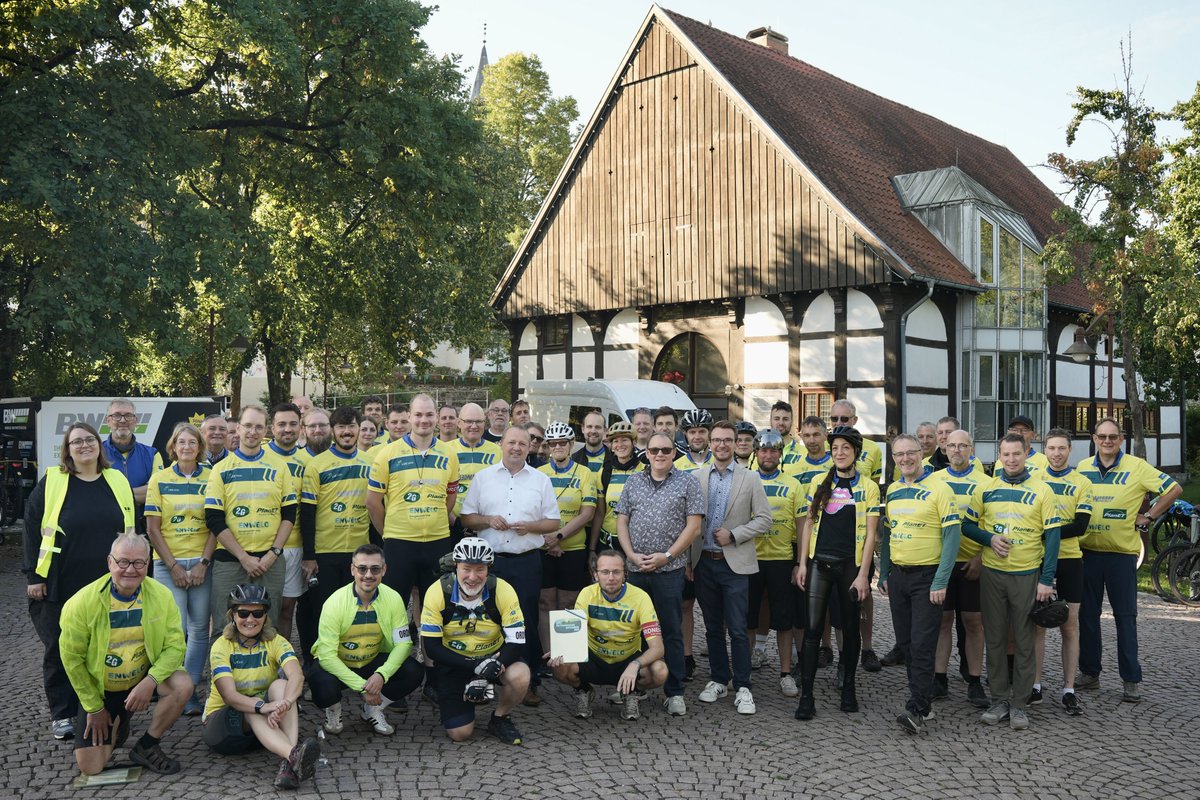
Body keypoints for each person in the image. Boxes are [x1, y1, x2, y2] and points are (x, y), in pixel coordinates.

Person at [24, 422, 136, 741]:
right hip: (60, 582)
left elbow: (131, 528)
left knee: (105, 645)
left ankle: (100, 708)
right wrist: (35, 576)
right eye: (77, 442)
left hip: (108, 584)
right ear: (67, 449)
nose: (84, 445)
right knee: (61, 648)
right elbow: (33, 527)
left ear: (100, 446)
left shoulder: (117, 480)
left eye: (90, 440)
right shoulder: (54, 481)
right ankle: (62, 714)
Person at [59, 533, 191, 775]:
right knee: (92, 767)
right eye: (123, 562)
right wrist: (94, 708)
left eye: (139, 563)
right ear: (110, 562)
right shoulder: (80, 603)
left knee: (182, 684)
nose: (131, 569)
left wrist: (150, 682)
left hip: (141, 682)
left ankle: (147, 745)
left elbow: (176, 646)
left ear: (148, 563)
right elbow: (72, 660)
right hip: (102, 689)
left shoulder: (162, 596)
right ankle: (119, 718)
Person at [1076, 417, 1181, 703]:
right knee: (1087, 617)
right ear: (1094, 439)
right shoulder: (1083, 468)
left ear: (1121, 440)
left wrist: (1149, 515)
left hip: (1121, 555)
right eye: (1102, 436)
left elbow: (1173, 488)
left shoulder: (1136, 467)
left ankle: (1130, 679)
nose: (1107, 441)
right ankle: (1089, 673)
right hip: (1088, 553)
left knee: (1125, 618)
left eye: (1113, 437)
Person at [961, 433, 1060, 731]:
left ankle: (1020, 703)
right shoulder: (986, 488)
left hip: (1028, 574)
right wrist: (988, 538)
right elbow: (966, 525)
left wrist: (1046, 579)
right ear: (999, 455)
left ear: (1027, 453)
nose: (1012, 459)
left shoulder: (1043, 490)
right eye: (1006, 454)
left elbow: (1052, 537)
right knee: (995, 638)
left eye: (1017, 454)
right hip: (992, 573)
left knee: (1024, 639)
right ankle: (999, 699)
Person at [460, 426, 560, 706]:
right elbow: (466, 518)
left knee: (525, 620)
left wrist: (531, 527)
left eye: (523, 444)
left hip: (526, 561)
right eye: (511, 442)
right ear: (501, 444)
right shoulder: (482, 478)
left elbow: (553, 523)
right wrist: (488, 520)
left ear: (530, 448)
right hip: (488, 564)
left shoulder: (541, 480)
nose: (516, 448)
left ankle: (527, 680)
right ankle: (486, 675)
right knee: (487, 618)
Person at [793, 426, 880, 719]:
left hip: (850, 568)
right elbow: (808, 523)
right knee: (812, 630)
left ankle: (849, 689)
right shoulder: (819, 480)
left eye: (845, 448)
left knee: (850, 629)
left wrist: (863, 575)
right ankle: (806, 696)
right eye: (835, 449)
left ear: (855, 452)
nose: (839, 453)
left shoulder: (868, 486)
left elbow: (871, 536)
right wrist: (803, 563)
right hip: (820, 564)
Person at [616, 432, 704, 717]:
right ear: (648, 453)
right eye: (654, 450)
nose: (660, 454)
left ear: (674, 452)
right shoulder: (633, 481)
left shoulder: (688, 482)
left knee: (671, 630)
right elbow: (622, 520)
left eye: (666, 450)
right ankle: (633, 687)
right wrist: (630, 555)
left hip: (669, 570)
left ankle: (675, 690)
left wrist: (666, 556)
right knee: (632, 631)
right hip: (636, 569)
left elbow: (694, 528)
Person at [878, 433, 960, 734]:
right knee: (907, 644)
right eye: (898, 455)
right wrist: (884, 572)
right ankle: (922, 698)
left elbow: (953, 537)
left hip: (928, 576)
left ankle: (917, 708)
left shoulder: (940, 488)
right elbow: (887, 535)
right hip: (899, 577)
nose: (904, 459)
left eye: (910, 453)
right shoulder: (894, 490)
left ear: (920, 454)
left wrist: (941, 580)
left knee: (923, 644)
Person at [691, 420, 773, 716]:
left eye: (728, 440)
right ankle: (718, 679)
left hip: (735, 564)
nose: (722, 445)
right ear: (709, 444)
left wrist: (735, 535)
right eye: (717, 440)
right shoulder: (696, 477)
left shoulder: (750, 479)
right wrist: (690, 561)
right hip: (704, 563)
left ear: (737, 443)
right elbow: (689, 522)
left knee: (738, 629)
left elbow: (764, 519)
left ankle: (743, 686)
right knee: (712, 628)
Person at [203, 585, 319, 790]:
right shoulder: (221, 645)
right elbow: (229, 696)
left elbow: (296, 676)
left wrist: (286, 703)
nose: (250, 619)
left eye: (258, 613)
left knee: (282, 685)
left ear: (265, 616)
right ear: (232, 615)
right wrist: (264, 707)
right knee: (253, 706)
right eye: (243, 613)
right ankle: (293, 754)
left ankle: (289, 762)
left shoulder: (275, 641)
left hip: (265, 727)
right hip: (223, 727)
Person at [420, 538, 530, 745]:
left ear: (489, 569)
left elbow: (517, 641)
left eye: (480, 569)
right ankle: (464, 698)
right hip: (454, 662)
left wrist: (495, 664)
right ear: (456, 567)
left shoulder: (503, 590)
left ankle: (500, 718)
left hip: (494, 658)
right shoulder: (437, 592)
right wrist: (476, 667)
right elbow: (432, 648)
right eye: (466, 569)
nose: (473, 577)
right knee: (460, 734)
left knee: (521, 676)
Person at [308, 544, 424, 736]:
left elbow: (403, 644)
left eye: (375, 569)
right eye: (362, 568)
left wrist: (381, 675)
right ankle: (333, 710)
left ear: (384, 570)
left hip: (372, 660)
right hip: (340, 663)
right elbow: (327, 656)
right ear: (353, 570)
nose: (368, 575)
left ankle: (373, 709)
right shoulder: (334, 603)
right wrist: (362, 688)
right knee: (319, 681)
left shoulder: (394, 598)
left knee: (414, 671)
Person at [367, 394, 459, 626]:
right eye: (418, 414)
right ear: (409, 417)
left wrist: (436, 516)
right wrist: (388, 531)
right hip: (400, 542)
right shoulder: (388, 453)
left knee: (435, 606)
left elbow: (450, 496)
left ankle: (429, 659)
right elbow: (372, 502)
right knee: (394, 606)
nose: (423, 420)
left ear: (436, 417)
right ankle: (393, 659)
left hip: (437, 541)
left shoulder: (449, 454)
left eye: (429, 414)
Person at [205, 404, 297, 630]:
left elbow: (289, 515)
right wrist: (244, 557)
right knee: (224, 627)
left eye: (258, 426)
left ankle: (267, 667)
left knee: (268, 626)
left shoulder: (280, 467)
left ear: (266, 430)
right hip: (230, 561)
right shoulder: (221, 469)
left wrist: (273, 553)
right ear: (237, 429)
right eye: (247, 426)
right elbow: (214, 518)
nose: (252, 432)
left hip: (270, 562)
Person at [547, 550, 668, 721]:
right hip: (594, 658)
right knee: (558, 665)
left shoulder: (641, 598)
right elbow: (574, 633)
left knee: (660, 671)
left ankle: (630, 692)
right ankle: (584, 690)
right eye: (605, 572)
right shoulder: (587, 594)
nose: (611, 577)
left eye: (616, 572)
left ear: (625, 574)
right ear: (595, 575)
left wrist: (635, 664)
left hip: (627, 659)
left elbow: (658, 648)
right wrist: (561, 648)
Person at [145, 423, 215, 716]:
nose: (187, 447)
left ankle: (191, 692)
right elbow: (151, 527)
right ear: (173, 447)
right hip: (167, 564)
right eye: (181, 442)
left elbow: (217, 524)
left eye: (192, 442)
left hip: (202, 564)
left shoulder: (213, 477)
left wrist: (203, 563)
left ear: (200, 447)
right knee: (177, 631)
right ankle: (174, 687)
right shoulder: (159, 479)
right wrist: (172, 565)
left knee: (200, 630)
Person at [299, 407, 374, 663]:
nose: (346, 431)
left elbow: (376, 507)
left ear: (359, 429)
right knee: (324, 612)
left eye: (351, 426)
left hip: (359, 553)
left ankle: (350, 661)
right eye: (341, 427)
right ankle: (319, 663)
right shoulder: (316, 465)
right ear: (333, 430)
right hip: (325, 552)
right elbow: (307, 514)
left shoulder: (370, 463)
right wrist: (309, 556)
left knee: (354, 611)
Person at [1034, 427, 1096, 716]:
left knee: (1069, 626)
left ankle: (1069, 689)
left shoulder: (1082, 482)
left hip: (1070, 560)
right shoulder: (1034, 478)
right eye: (1051, 448)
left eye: (1062, 448)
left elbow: (1080, 525)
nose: (1056, 453)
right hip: (1038, 559)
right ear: (1044, 450)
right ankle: (1035, 685)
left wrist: (1046, 532)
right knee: (1037, 623)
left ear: (1070, 450)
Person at [926, 429, 989, 709]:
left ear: (971, 449)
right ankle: (939, 679)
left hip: (972, 563)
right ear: (945, 448)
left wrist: (981, 556)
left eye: (962, 446)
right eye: (951, 445)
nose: (956, 451)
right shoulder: (934, 480)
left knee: (974, 623)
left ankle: (974, 681)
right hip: (942, 564)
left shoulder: (986, 483)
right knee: (942, 621)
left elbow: (994, 523)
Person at [538, 421, 599, 695]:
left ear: (571, 445)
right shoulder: (538, 473)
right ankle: (548, 658)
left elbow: (587, 513)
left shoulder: (585, 473)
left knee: (569, 603)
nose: (558, 448)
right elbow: (533, 511)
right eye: (553, 444)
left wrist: (558, 537)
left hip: (572, 548)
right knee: (545, 602)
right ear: (548, 447)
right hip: (543, 548)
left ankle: (568, 654)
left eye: (563, 443)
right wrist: (547, 542)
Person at [746, 430, 803, 695]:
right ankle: (743, 671)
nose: (768, 455)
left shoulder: (793, 485)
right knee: (747, 619)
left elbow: (802, 526)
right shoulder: (745, 481)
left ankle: (785, 673)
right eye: (763, 450)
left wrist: (800, 563)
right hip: (749, 559)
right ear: (755, 453)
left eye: (773, 451)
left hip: (781, 558)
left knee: (784, 619)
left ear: (780, 454)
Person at [265, 403, 308, 643]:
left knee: (287, 608)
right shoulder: (260, 457)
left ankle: (282, 661)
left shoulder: (307, 461)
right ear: (272, 428)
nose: (287, 429)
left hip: (295, 545)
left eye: (293, 424)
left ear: (301, 427)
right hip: (264, 545)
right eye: (281, 424)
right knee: (260, 606)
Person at [101, 398, 163, 532]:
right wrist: (139, 493)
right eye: (117, 415)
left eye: (128, 415)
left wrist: (111, 496)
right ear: (108, 421)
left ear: (135, 420)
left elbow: (155, 493)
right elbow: (93, 493)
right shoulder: (96, 452)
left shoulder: (153, 454)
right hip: (104, 527)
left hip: (141, 530)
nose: (123, 420)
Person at [589, 422, 644, 554]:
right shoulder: (604, 472)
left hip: (636, 542)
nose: (620, 445)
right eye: (615, 441)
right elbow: (600, 513)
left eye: (625, 440)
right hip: (608, 542)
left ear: (634, 443)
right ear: (611, 446)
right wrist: (592, 549)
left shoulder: (645, 471)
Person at [449, 402, 501, 534]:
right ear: (459, 423)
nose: (474, 426)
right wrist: (455, 522)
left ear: (485, 423)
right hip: (453, 524)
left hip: (488, 526)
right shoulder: (445, 450)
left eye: (479, 421)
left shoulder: (498, 451)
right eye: (469, 421)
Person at [829, 399, 882, 483]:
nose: (838, 423)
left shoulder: (873, 448)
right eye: (834, 419)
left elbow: (874, 483)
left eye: (844, 419)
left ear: (855, 420)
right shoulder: (822, 446)